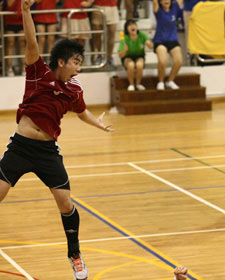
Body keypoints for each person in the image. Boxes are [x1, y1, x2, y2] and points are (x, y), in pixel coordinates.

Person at [0, 0, 113, 279]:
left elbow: (83, 113)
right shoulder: (39, 72)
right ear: (61, 61)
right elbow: (31, 42)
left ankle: (74, 254)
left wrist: (98, 125)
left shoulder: (74, 89)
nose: (79, 68)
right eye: (76, 62)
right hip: (21, 147)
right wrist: (26, 11)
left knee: (65, 203)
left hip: (48, 151)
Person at [152, 0, 183, 90]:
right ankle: (161, 81)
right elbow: (154, 2)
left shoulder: (175, 7)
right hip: (160, 40)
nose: (166, 0)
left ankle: (170, 81)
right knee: (163, 61)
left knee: (179, 61)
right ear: (160, 2)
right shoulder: (158, 10)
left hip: (172, 40)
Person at [118, 19, 153, 91]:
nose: (132, 26)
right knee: (131, 65)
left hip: (139, 56)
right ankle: (131, 84)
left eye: (134, 24)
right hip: (127, 57)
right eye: (129, 25)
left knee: (139, 65)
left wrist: (149, 44)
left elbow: (151, 46)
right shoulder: (124, 38)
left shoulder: (142, 35)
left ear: (137, 27)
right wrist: (124, 50)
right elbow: (120, 55)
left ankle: (138, 84)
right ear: (126, 29)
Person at [91, 0, 119, 67]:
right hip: (98, 5)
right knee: (97, 33)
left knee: (112, 32)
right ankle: (99, 56)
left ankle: (110, 57)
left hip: (112, 6)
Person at [4, 0, 25, 76]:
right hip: (10, 20)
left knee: (22, 43)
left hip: (22, 19)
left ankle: (24, 67)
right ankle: (9, 68)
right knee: (10, 43)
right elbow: (9, 4)